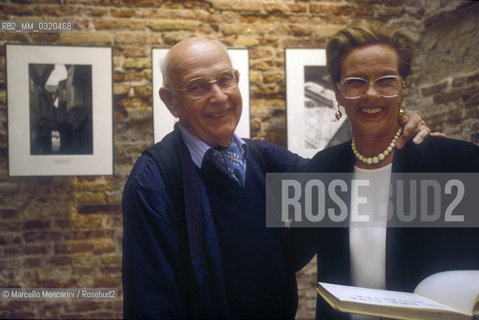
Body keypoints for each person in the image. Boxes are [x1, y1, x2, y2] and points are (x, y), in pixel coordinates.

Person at [121, 37, 433, 319]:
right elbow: (150, 304)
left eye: (225, 80)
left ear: (237, 81)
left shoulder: (259, 158)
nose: (218, 96)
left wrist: (399, 136)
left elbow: (339, 180)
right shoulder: (155, 181)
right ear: (170, 101)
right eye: (197, 87)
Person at [301, 19, 479, 319]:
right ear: (338, 94)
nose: (371, 94)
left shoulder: (454, 164)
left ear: (402, 88)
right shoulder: (324, 168)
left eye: (385, 80)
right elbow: (289, 253)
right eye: (356, 81)